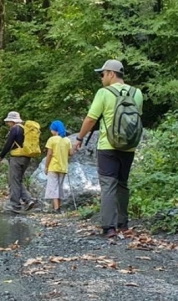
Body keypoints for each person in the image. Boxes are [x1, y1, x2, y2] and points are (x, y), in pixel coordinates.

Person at [73, 60, 144, 238]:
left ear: (111, 74)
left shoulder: (104, 93)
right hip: (128, 146)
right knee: (122, 184)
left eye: (103, 74)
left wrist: (79, 138)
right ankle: (123, 224)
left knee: (108, 185)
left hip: (108, 146)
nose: (101, 77)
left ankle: (108, 227)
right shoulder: (137, 93)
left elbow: (91, 119)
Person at [0, 111, 37, 213]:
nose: (7, 124)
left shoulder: (15, 129)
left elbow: (8, 144)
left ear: (12, 121)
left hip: (17, 157)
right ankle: (28, 199)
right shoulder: (25, 129)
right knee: (18, 180)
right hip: (27, 157)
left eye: (8, 122)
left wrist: (0, 157)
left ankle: (14, 204)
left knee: (13, 180)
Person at [44, 120, 73, 214]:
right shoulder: (67, 140)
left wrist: (46, 166)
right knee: (60, 187)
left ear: (54, 130)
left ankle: (56, 209)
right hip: (63, 167)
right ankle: (59, 206)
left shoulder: (52, 139)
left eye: (51, 129)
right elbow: (70, 153)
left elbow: (49, 154)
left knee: (53, 187)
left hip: (53, 166)